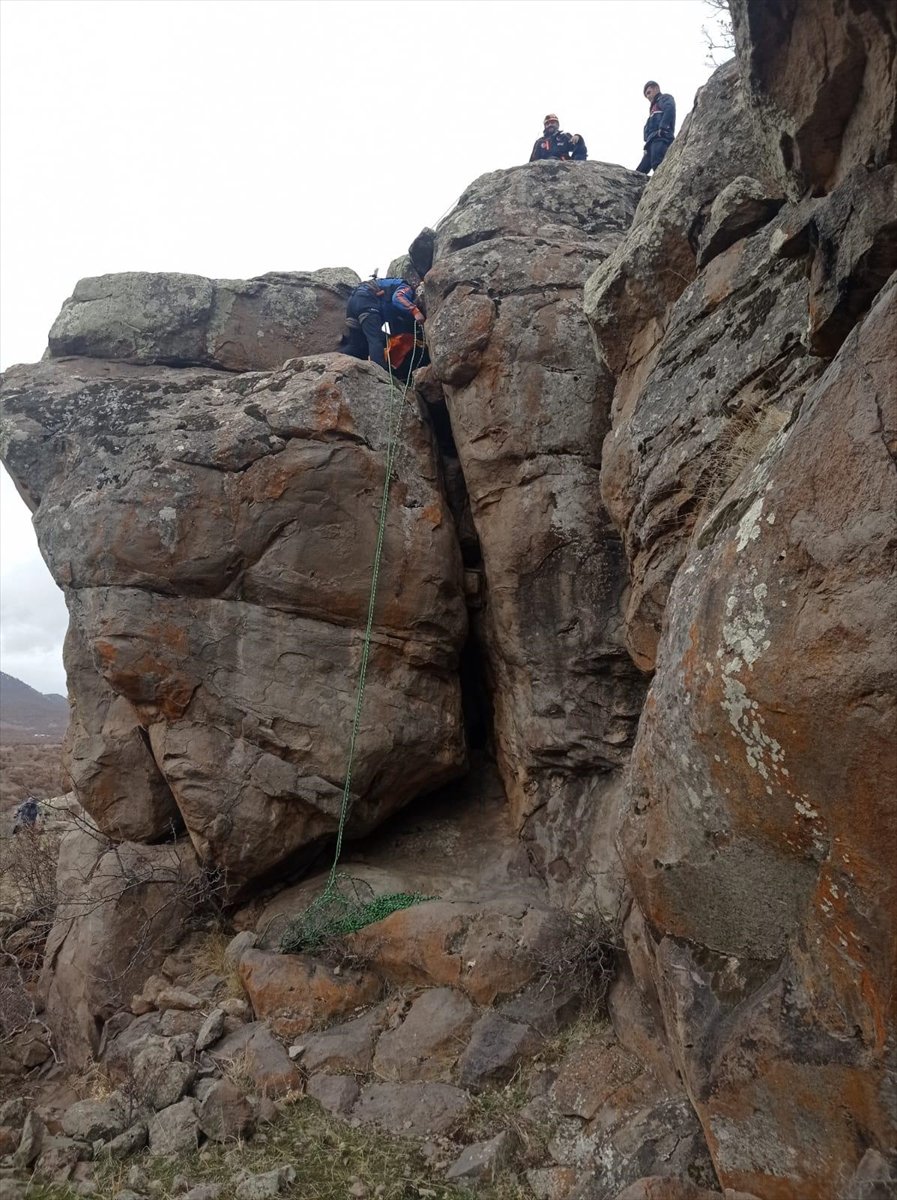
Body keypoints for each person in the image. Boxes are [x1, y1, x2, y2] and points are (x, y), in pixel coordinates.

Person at [339, 277, 425, 373]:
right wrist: (415, 311)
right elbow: (398, 298)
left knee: (357, 346)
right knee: (375, 339)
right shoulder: (405, 286)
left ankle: (333, 361)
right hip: (366, 298)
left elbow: (390, 328)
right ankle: (381, 374)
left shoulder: (390, 308)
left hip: (353, 301)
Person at [637, 81, 676, 174]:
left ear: (656, 88)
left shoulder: (664, 98)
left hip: (660, 137)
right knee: (640, 171)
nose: (648, 97)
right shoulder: (653, 109)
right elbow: (647, 127)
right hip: (651, 142)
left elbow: (669, 109)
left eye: (649, 92)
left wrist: (663, 128)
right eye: (646, 95)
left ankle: (664, 187)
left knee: (658, 164)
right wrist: (646, 144)